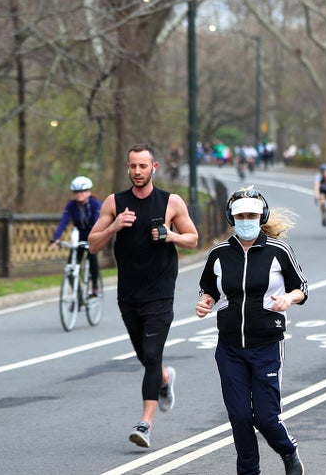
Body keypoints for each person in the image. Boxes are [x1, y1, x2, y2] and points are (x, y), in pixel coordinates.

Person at [88, 144, 199, 449]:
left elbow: (193, 238)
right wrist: (114, 225)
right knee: (144, 355)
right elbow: (93, 245)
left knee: (151, 354)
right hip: (129, 294)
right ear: (128, 168)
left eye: (143, 166)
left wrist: (170, 234)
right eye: (132, 166)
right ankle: (164, 379)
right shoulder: (115, 202)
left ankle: (145, 424)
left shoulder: (170, 202)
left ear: (154, 168)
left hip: (161, 293)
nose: (137, 171)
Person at [196, 187, 308, 475]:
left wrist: (288, 299)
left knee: (267, 418)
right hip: (230, 347)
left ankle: (288, 451)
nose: (246, 220)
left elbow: (302, 287)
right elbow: (208, 288)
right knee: (240, 416)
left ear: (262, 216)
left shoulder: (279, 251)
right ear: (232, 218)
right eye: (241, 215)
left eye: (252, 215)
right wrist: (205, 302)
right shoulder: (219, 254)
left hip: (266, 345)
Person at [49, 175, 102, 295]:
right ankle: (77, 295)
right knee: (70, 267)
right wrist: (56, 238)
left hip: (93, 235)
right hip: (78, 236)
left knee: (92, 257)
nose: (79, 194)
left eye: (82, 191)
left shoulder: (95, 204)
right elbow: (63, 221)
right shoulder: (71, 205)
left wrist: (94, 239)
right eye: (76, 192)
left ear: (89, 192)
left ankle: (95, 287)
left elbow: (97, 222)